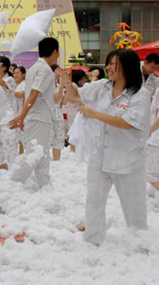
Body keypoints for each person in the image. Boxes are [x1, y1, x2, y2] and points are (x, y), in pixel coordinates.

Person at [65, 49, 149, 245]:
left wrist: (95, 114)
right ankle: (92, 239)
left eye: (113, 64)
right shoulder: (103, 86)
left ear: (126, 67)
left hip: (127, 159)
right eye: (108, 63)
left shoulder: (139, 95)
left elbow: (127, 122)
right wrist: (66, 81)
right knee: (94, 199)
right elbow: (77, 95)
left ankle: (140, 243)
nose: (108, 68)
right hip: (100, 155)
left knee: (133, 206)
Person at [8, 37, 59, 188]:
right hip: (38, 118)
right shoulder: (45, 70)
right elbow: (34, 93)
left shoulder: (34, 69)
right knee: (34, 154)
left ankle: (45, 185)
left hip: (37, 117)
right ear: (55, 51)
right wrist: (22, 116)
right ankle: (13, 183)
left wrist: (24, 116)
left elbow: (29, 94)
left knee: (41, 156)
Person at [0, 55, 17, 171]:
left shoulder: (10, 80)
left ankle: (12, 175)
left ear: (4, 67)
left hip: (8, 119)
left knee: (9, 150)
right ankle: (2, 175)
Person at [50, 64, 66, 161]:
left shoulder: (59, 85)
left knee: (59, 137)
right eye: (58, 70)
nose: (61, 71)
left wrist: (66, 86)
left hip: (58, 113)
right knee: (48, 138)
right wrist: (62, 85)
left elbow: (64, 101)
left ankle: (57, 159)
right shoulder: (48, 84)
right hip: (50, 112)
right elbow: (55, 99)